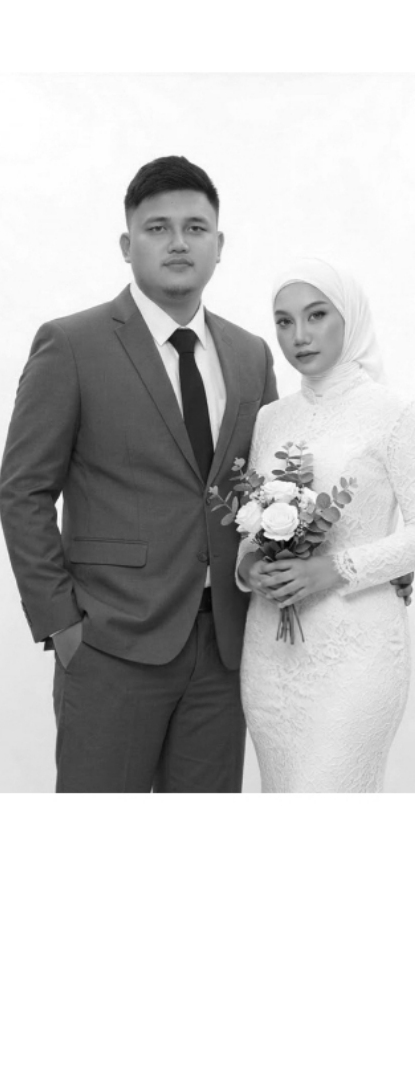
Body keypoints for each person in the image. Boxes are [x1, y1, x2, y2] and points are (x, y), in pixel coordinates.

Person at [0, 156, 278, 792]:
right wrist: (63, 626)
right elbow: (23, 491)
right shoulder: (71, 344)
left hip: (226, 645)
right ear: (127, 245)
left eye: (195, 228)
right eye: (157, 228)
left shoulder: (250, 354)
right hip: (110, 643)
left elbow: (263, 487)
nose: (179, 243)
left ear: (219, 244)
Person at [238, 259, 414, 790]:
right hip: (269, 652)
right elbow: (249, 526)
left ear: (350, 318)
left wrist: (333, 569)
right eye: (284, 321)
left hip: (357, 653)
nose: (300, 335)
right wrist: (250, 569)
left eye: (316, 315)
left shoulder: (395, 413)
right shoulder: (271, 417)